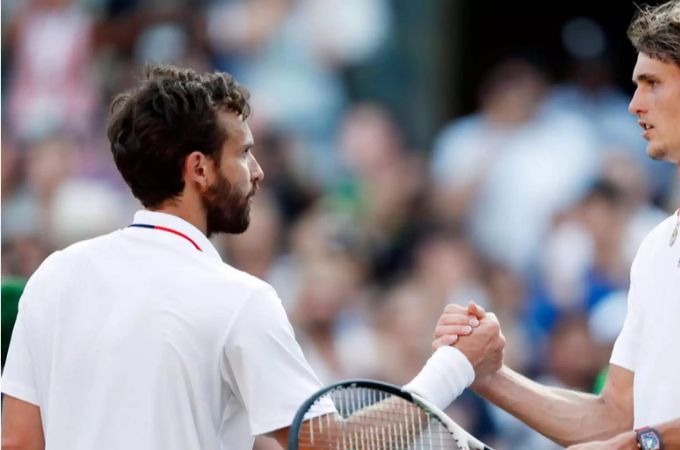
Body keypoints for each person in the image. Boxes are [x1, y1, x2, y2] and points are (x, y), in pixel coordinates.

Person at [0, 64, 506, 450]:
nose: (258, 171)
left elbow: (19, 442)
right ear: (199, 168)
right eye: (243, 153)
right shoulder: (239, 298)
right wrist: (455, 367)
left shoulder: (53, 276)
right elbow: (333, 445)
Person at [435, 1, 680, 449]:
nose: (634, 105)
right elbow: (613, 417)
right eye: (637, 86)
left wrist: (642, 445)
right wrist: (488, 376)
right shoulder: (657, 242)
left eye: (652, 84)